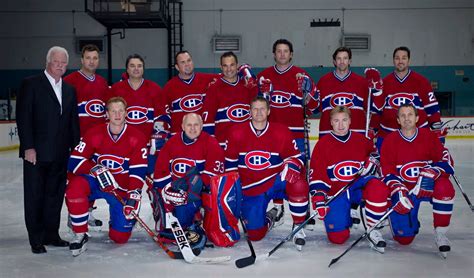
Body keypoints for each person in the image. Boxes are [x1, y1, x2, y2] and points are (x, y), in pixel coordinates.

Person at [16, 46, 80, 254]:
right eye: (56, 62)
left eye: (63, 63)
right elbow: (24, 118)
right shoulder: (31, 84)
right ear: (48, 62)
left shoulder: (69, 89)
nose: (60, 66)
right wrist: (28, 147)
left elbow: (72, 121)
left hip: (61, 153)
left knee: (54, 195)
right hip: (37, 153)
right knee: (35, 196)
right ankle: (36, 239)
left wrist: (75, 147)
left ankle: (51, 234)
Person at [66, 97, 148, 256]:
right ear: (107, 114)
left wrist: (132, 197)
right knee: (75, 187)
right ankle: (80, 233)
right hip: (96, 182)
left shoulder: (137, 137)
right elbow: (74, 160)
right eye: (113, 111)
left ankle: (117, 219)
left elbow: (138, 170)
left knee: (120, 237)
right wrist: (95, 168)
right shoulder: (94, 133)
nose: (117, 115)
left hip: (120, 187)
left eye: (121, 111)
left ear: (126, 113)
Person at [225, 96, 309, 250]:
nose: (258, 112)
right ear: (249, 111)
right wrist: (235, 193)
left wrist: (292, 165)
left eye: (262, 108)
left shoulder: (281, 131)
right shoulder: (236, 132)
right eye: (255, 109)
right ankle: (272, 217)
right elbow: (230, 165)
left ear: (269, 111)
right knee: (255, 234)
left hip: (274, 182)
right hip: (251, 188)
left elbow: (297, 158)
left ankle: (298, 226)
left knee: (298, 183)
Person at [309, 106, 390, 253]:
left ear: (350, 121)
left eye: (344, 120)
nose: (341, 125)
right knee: (337, 238)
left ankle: (373, 228)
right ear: (331, 123)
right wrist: (319, 198)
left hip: (358, 188)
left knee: (378, 187)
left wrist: (373, 162)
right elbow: (317, 174)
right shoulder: (323, 144)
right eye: (336, 120)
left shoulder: (362, 140)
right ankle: (345, 216)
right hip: (336, 192)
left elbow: (376, 155)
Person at [380, 103, 455, 257]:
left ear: (417, 118)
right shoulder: (390, 140)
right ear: (398, 120)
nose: (407, 118)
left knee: (444, 187)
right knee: (404, 239)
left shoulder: (429, 136)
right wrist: (398, 190)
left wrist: (434, 171)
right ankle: (406, 220)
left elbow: (447, 162)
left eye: (410, 115)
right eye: (403, 116)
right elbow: (386, 172)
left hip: (427, 186)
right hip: (406, 192)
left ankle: (441, 233)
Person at [257, 39, 319, 224]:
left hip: (297, 135)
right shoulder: (264, 76)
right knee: (275, 171)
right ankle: (277, 206)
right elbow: (257, 108)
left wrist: (309, 92)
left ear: (291, 54)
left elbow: (314, 108)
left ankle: (300, 210)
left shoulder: (302, 75)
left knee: (297, 173)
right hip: (272, 136)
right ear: (274, 54)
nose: (282, 54)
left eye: (286, 51)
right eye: (279, 51)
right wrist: (263, 94)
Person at [150, 113, 225, 249]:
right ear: (182, 126)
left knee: (188, 198)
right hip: (174, 191)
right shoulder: (171, 142)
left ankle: (194, 223)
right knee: (157, 199)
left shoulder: (211, 143)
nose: (192, 128)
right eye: (189, 125)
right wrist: (167, 190)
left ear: (202, 126)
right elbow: (160, 172)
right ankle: (177, 225)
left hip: (197, 194)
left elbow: (214, 175)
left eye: (196, 125)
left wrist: (191, 187)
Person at [64, 44, 110, 228]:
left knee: (94, 175)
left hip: (97, 143)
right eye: (88, 58)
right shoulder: (70, 81)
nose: (92, 61)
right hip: (77, 141)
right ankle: (73, 213)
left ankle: (88, 211)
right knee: (75, 178)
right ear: (82, 60)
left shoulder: (102, 83)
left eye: (95, 58)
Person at [373, 46, 444, 149]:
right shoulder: (384, 84)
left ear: (409, 60)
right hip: (388, 136)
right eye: (397, 58)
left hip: (418, 136)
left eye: (404, 58)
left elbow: (432, 109)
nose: (400, 61)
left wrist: (437, 129)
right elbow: (377, 112)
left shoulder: (422, 82)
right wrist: (373, 130)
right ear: (393, 61)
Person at [110, 54, 166, 175]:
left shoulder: (155, 89)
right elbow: (109, 118)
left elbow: (162, 118)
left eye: (139, 66)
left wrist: (156, 141)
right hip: (123, 145)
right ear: (127, 69)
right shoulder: (116, 89)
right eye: (132, 66)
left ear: (143, 69)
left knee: (148, 179)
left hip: (147, 146)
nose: (136, 68)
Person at [201, 51, 258, 147]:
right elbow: (208, 120)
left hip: (247, 143)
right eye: (225, 66)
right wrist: (211, 144)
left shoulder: (248, 86)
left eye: (232, 65)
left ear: (237, 66)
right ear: (221, 67)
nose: (229, 69)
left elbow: (259, 112)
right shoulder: (214, 89)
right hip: (223, 144)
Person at [316, 47, 375, 137]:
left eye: (345, 58)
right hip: (328, 134)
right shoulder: (323, 81)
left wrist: (376, 91)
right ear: (334, 62)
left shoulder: (361, 82)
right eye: (339, 58)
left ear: (350, 61)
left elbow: (370, 109)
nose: (342, 61)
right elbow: (315, 108)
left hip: (356, 134)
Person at [160, 51, 219, 135]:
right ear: (177, 67)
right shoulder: (169, 88)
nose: (187, 64)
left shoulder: (208, 80)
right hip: (180, 138)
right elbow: (163, 115)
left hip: (204, 135)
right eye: (183, 62)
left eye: (189, 60)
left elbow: (229, 75)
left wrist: (243, 71)